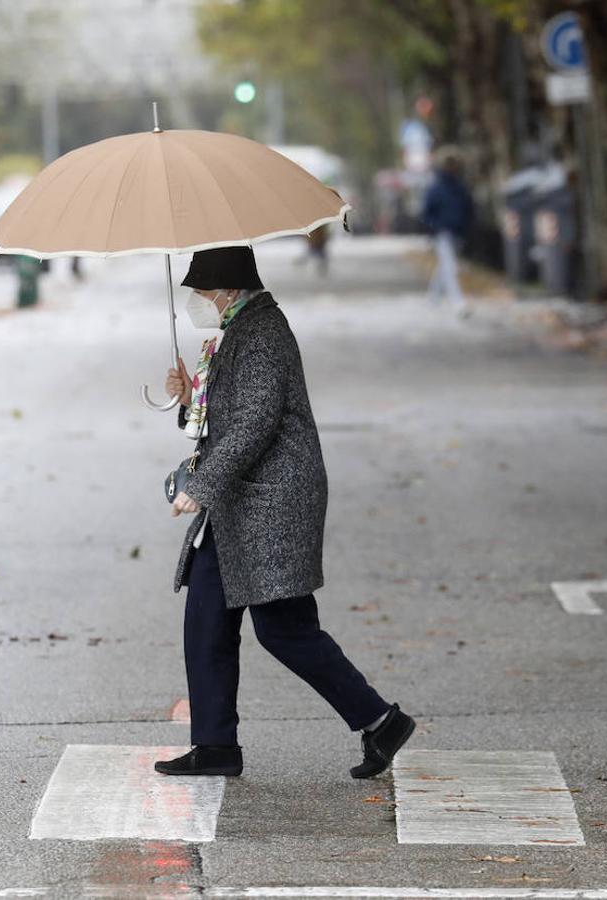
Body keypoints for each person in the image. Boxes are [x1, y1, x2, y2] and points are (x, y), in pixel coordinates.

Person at [157, 245, 415, 779]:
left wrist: (201, 486)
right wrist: (187, 400)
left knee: (285, 630)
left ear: (228, 290)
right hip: (238, 504)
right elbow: (220, 421)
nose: (198, 304)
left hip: (272, 503)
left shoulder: (264, 333)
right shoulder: (238, 332)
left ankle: (379, 720)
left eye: (202, 293)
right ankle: (215, 746)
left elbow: (254, 424)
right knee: (206, 622)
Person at [421, 147, 474, 317]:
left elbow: (469, 209)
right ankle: (458, 302)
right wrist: (433, 229)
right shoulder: (436, 188)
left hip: (457, 232)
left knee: (445, 266)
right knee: (450, 266)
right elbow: (427, 212)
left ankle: (433, 297)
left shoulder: (460, 187)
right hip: (441, 233)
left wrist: (467, 227)